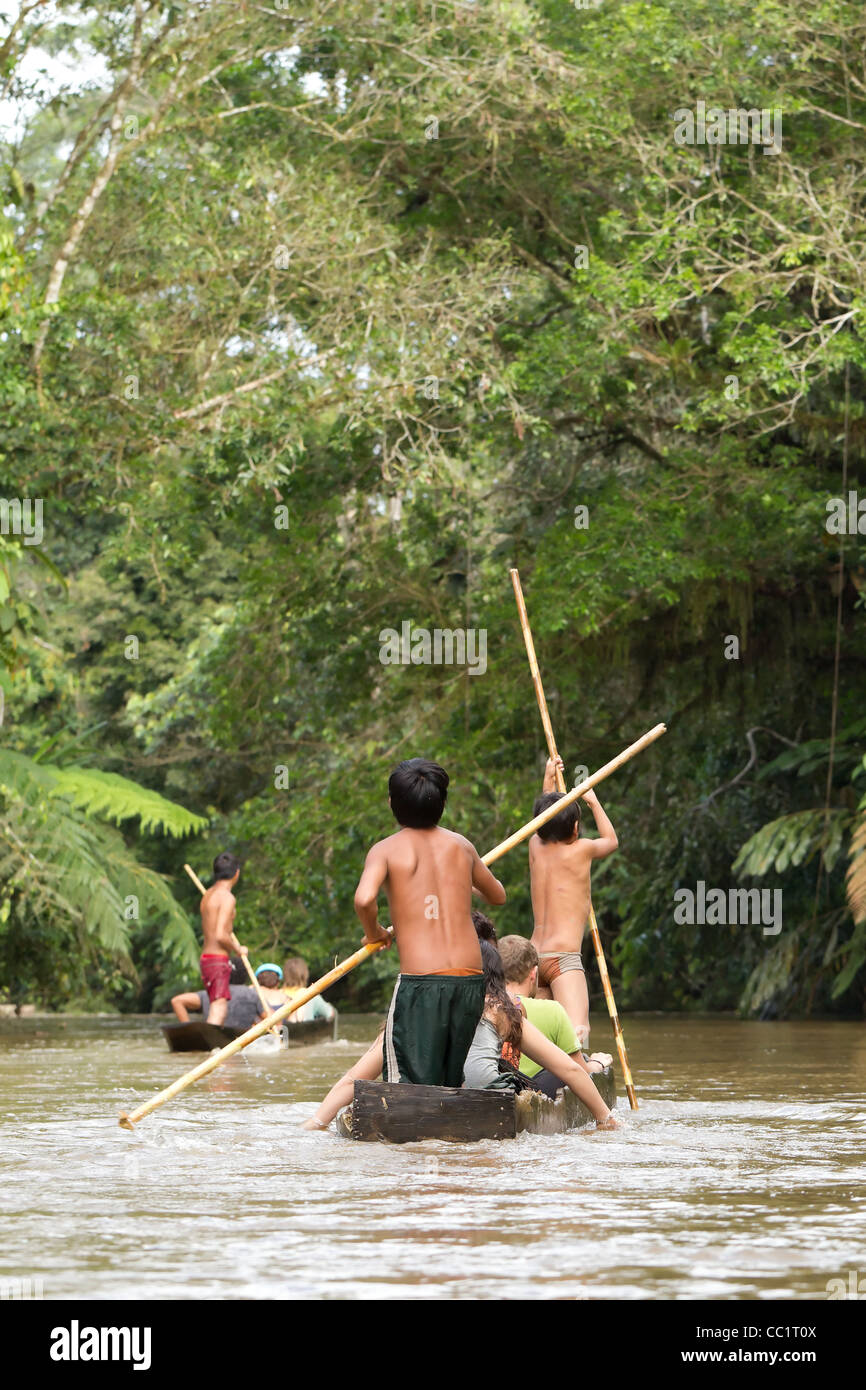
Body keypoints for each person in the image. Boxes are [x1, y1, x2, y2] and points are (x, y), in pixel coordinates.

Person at [353, 757, 506, 1086]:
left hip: (421, 981)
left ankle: (415, 1138)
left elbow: (364, 899)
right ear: (443, 803)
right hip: (469, 981)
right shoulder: (462, 847)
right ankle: (444, 1137)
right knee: (447, 1083)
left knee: (404, 1084)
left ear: (392, 803)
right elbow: (498, 895)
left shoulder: (385, 850)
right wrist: (462, 883)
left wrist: (375, 933)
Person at [463, 942, 617, 1128]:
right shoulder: (502, 1008)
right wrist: (607, 1119)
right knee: (574, 1063)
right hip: (495, 1100)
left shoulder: (442, 1005)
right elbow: (573, 1070)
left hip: (455, 1093)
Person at [529, 756, 618, 1045]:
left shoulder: (534, 845)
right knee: (577, 1035)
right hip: (563, 959)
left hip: (531, 958)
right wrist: (592, 800)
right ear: (576, 828)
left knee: (539, 1040)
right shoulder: (581, 850)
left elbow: (542, 819)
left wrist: (549, 778)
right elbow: (611, 841)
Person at [498, 934, 612, 1099]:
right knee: (582, 1060)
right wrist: (597, 1064)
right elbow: (579, 1072)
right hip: (535, 1093)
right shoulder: (553, 1010)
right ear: (533, 973)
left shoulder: (486, 1007)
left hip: (498, 1088)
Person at [199, 851, 246, 1025]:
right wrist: (238, 949)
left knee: (215, 1005)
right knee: (219, 1007)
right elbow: (220, 934)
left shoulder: (207, 895)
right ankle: (212, 1050)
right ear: (237, 873)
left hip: (206, 959)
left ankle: (210, 1047)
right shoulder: (227, 898)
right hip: (217, 959)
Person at [170, 957, 261, 1032]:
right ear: (245, 975)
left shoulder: (212, 992)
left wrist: (189, 1030)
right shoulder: (253, 994)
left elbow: (177, 1001)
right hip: (238, 1038)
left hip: (212, 1037)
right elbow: (270, 1017)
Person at [282, 957, 336, 1023]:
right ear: (305, 975)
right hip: (304, 1031)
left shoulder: (277, 994)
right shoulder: (311, 995)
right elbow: (330, 1014)